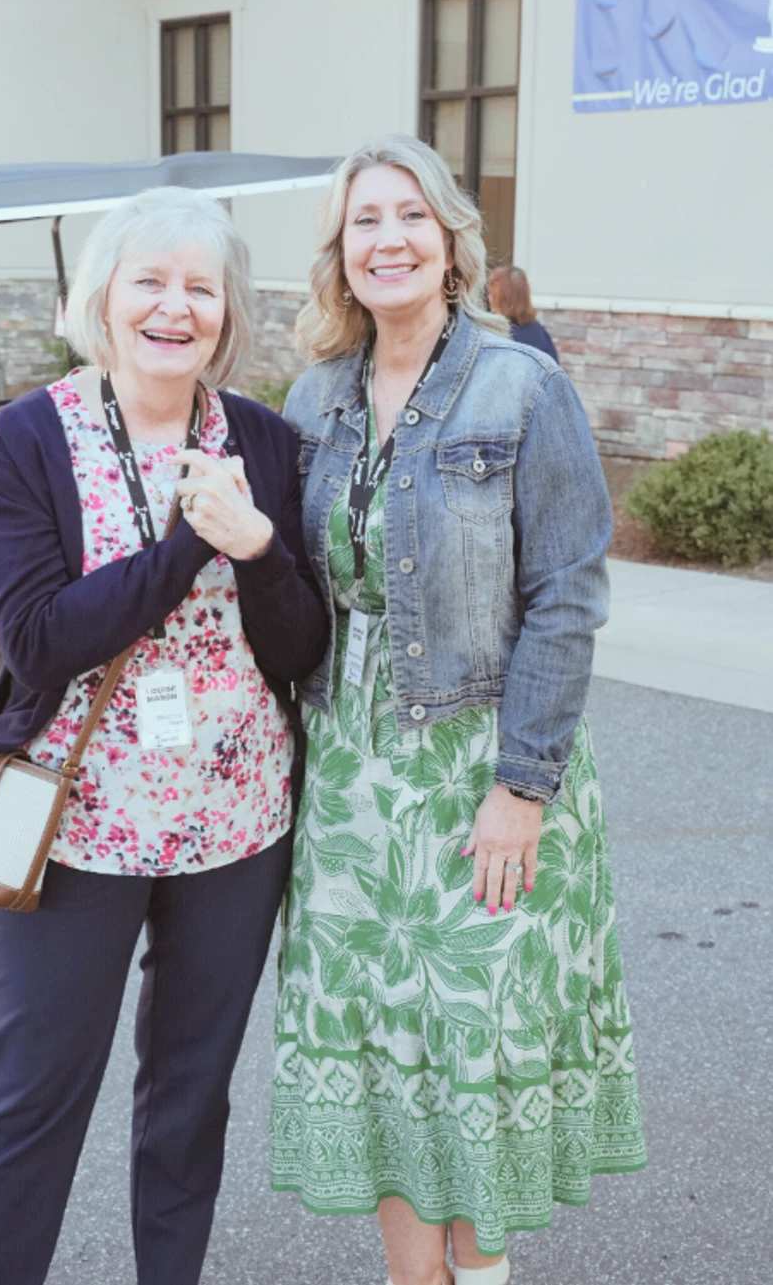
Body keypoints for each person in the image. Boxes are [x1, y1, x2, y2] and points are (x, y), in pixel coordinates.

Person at [0, 186, 329, 1284]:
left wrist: (258, 547)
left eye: (200, 288)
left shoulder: (263, 439)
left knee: (189, 1100)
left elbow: (298, 649)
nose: (174, 307)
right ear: (102, 298)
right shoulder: (29, 436)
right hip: (74, 824)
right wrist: (190, 545)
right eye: (149, 281)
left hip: (235, 824)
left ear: (227, 313)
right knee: (30, 1101)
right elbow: (39, 635)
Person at [273, 136, 643, 1285]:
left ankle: (478, 1276)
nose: (386, 238)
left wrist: (522, 788)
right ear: (341, 254)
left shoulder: (520, 385)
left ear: (449, 244)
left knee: (473, 1044)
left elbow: (569, 593)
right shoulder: (315, 395)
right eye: (363, 221)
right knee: (384, 1048)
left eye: (409, 217)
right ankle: (407, 1276)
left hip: (482, 767)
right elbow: (292, 589)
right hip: (348, 782)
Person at [487, 262, 558, 363]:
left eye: (492, 294)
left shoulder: (503, 338)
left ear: (505, 299)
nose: (489, 298)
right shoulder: (538, 331)